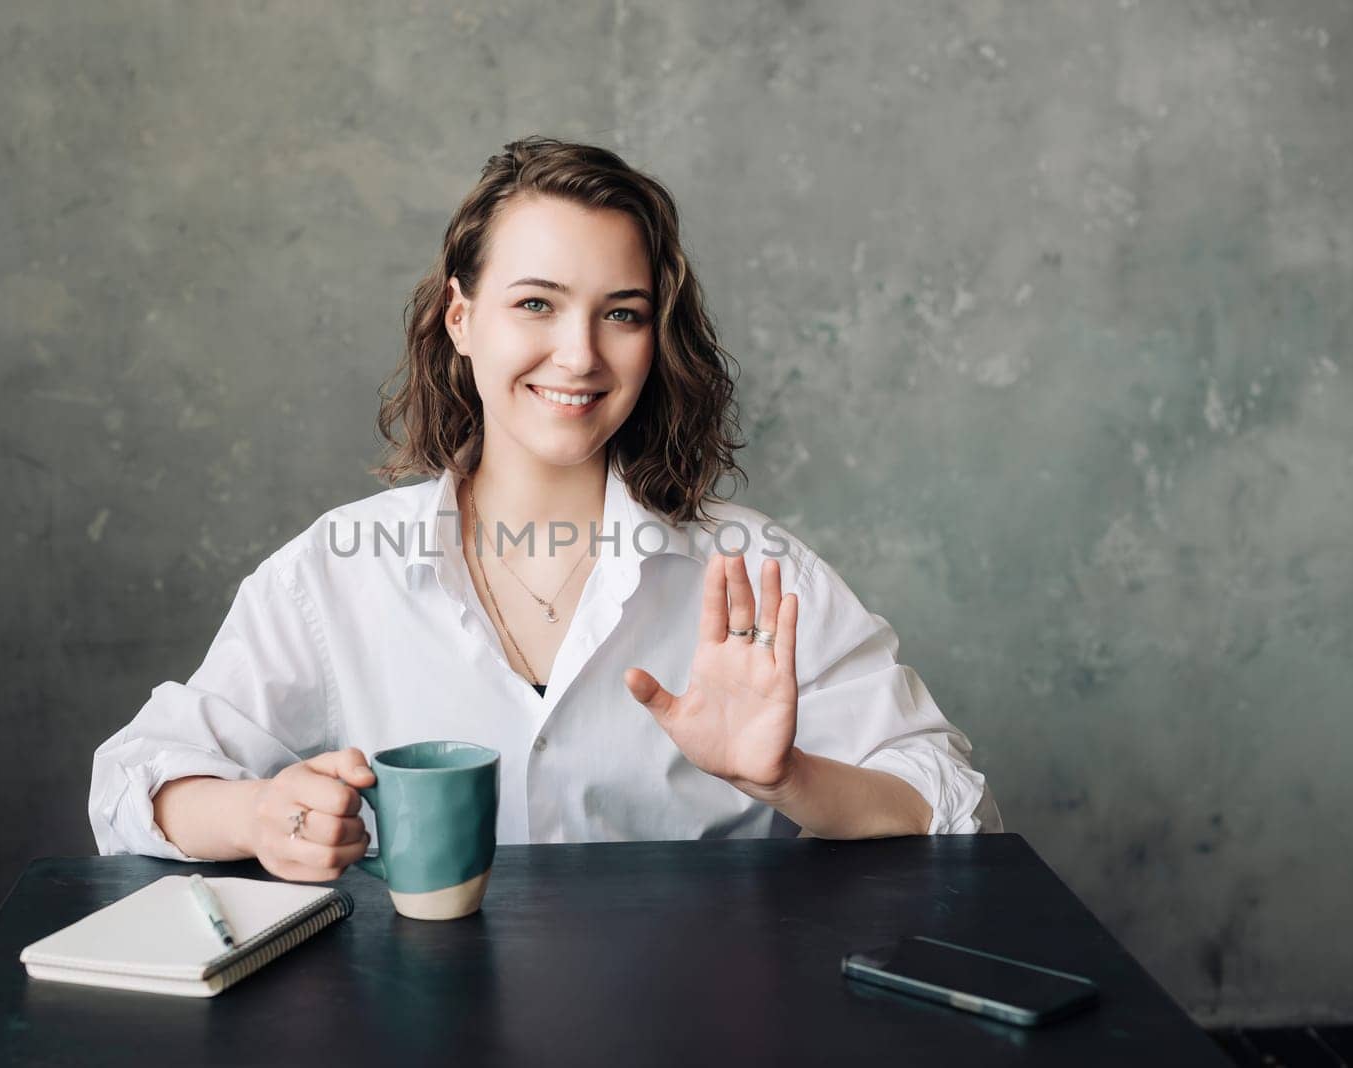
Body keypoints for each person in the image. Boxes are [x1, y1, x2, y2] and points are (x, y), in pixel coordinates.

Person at [89, 135, 1001, 883]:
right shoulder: (339, 569)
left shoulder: (753, 571)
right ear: (460, 319)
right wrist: (259, 814)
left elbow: (955, 801)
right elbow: (134, 782)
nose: (579, 356)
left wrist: (787, 777)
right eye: (536, 303)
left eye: (623, 314)